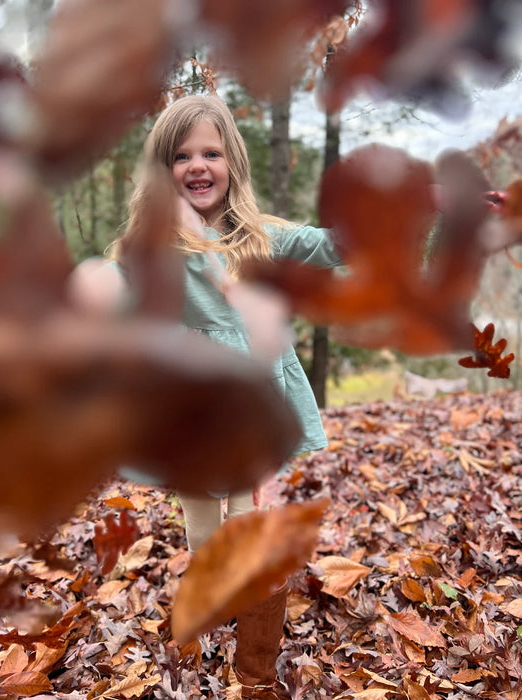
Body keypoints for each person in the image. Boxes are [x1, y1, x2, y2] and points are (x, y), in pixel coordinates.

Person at [78, 95, 342, 699]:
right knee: (204, 537)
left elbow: (324, 245)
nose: (198, 166)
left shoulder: (257, 237)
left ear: (232, 164)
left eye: (211, 153)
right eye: (181, 155)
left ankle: (255, 674)